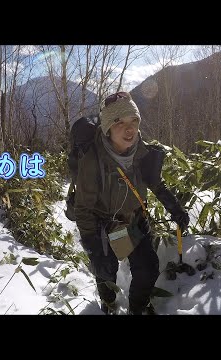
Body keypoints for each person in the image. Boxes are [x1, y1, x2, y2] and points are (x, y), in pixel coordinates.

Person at [74, 91, 189, 315]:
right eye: (119, 122)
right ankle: (108, 304)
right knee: (106, 273)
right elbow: (83, 208)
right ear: (107, 127)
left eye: (134, 121)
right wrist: (93, 247)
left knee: (147, 269)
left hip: (134, 221)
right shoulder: (93, 159)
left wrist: (175, 208)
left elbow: (155, 183)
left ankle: (138, 309)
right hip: (105, 227)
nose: (130, 129)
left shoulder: (143, 152)